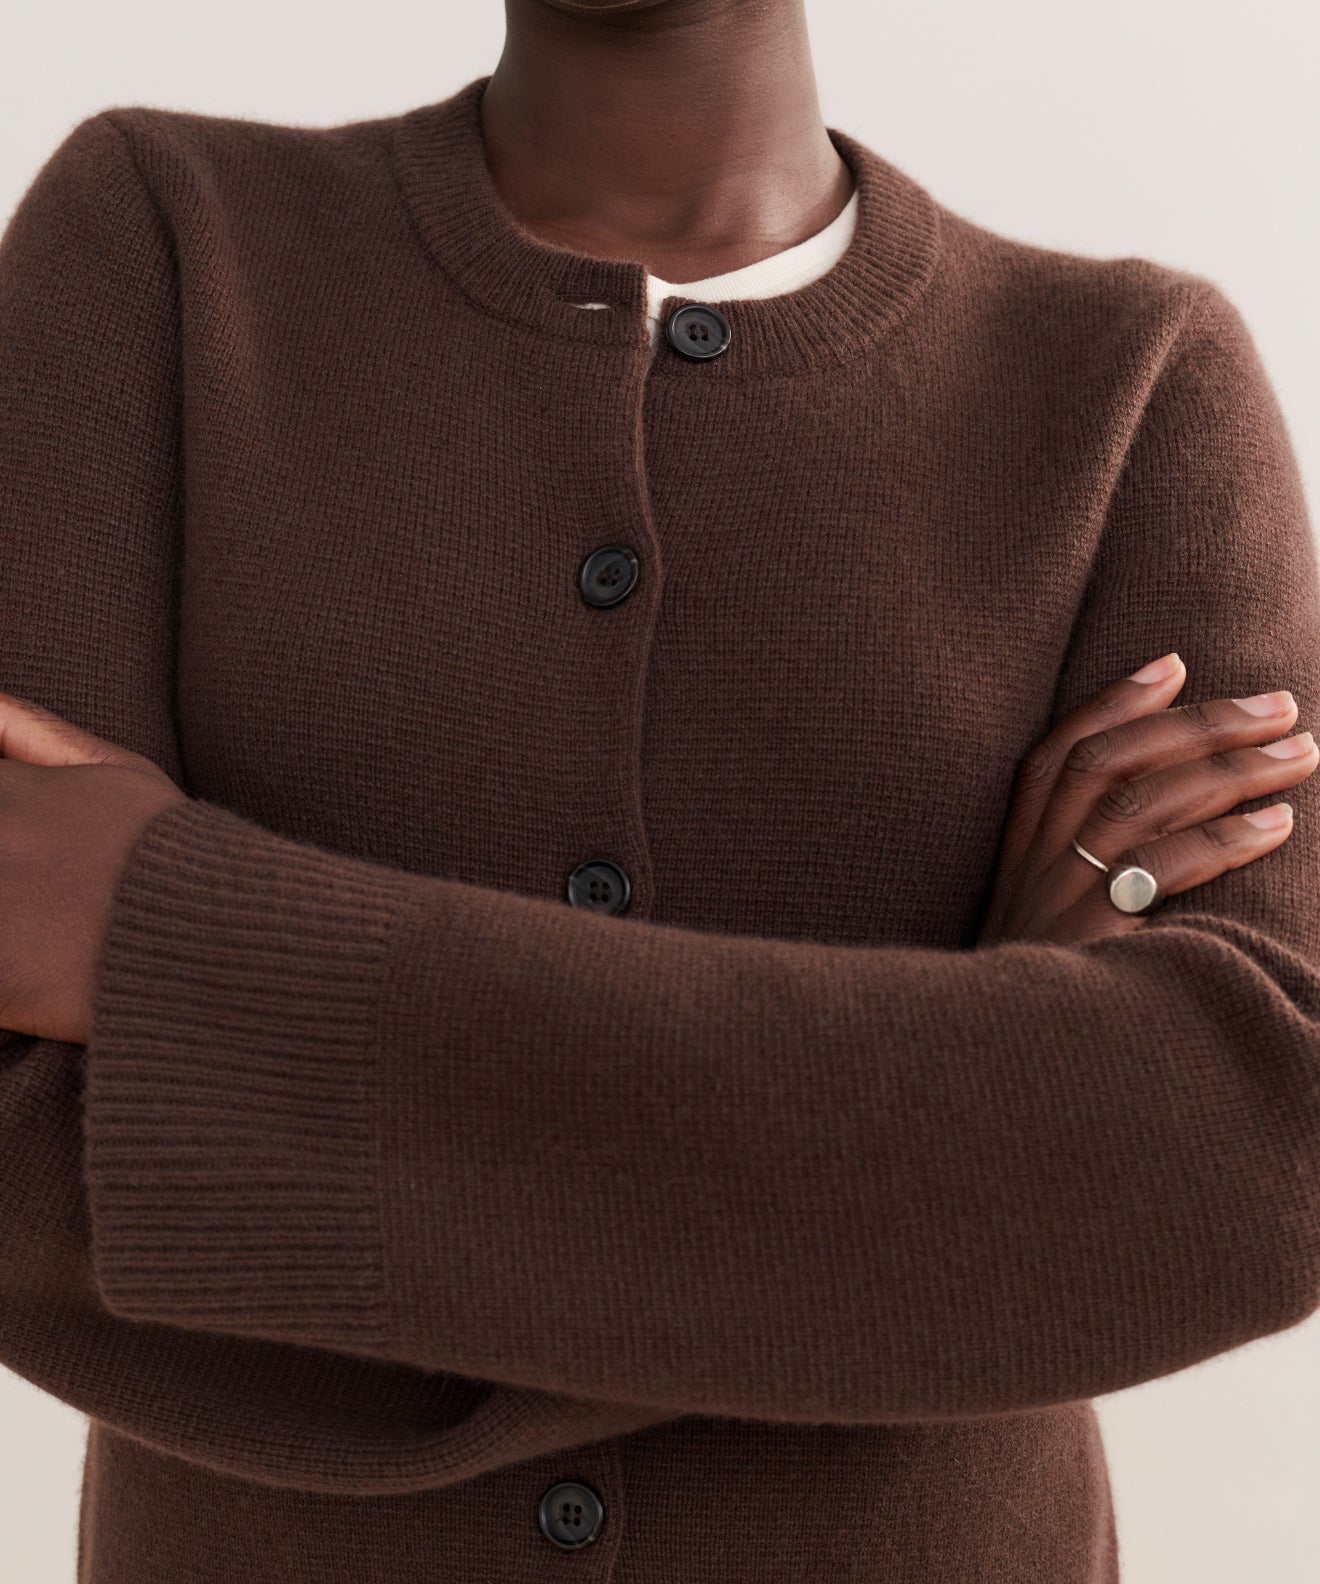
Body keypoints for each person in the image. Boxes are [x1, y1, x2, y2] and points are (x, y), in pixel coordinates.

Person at [1, 2, 1317, 1580]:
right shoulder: (156, 246)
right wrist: (976, 1091)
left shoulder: (1133, 385)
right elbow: (22, 1151)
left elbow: (1253, 1160)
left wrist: (191, 952)